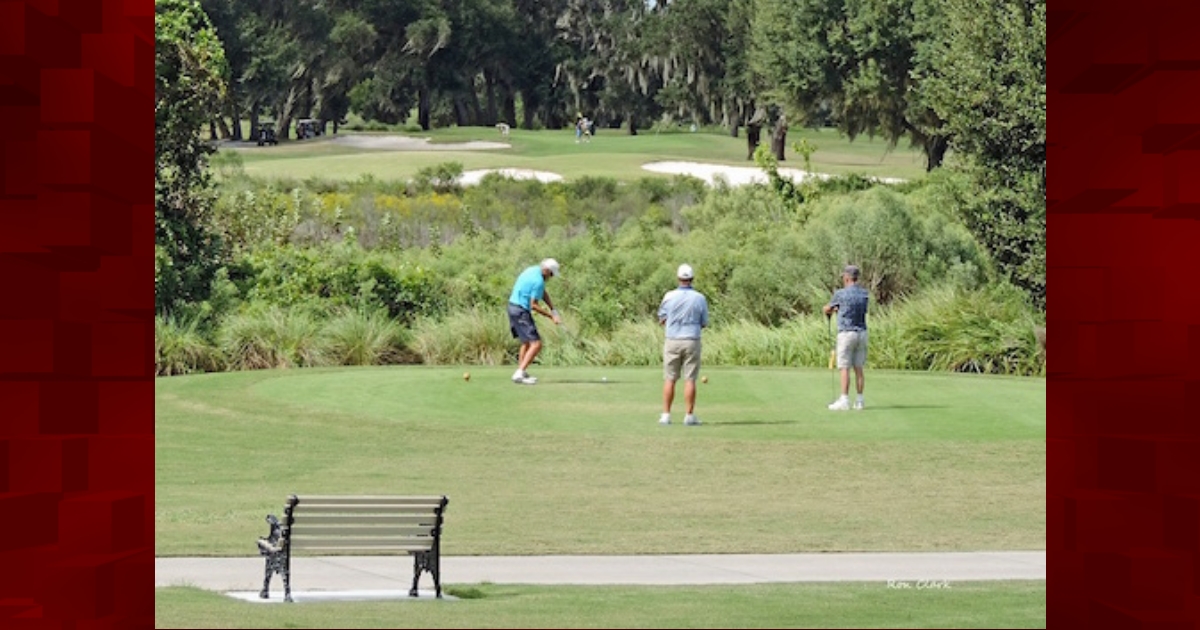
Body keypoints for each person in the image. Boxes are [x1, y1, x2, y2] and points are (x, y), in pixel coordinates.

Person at [658, 264, 709, 425]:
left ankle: (666, 415)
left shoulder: (669, 296)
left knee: (670, 378)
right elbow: (704, 322)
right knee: (690, 379)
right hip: (692, 340)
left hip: (672, 339)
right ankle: (689, 416)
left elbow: (662, 319)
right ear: (692, 279)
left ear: (679, 278)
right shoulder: (699, 298)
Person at [507, 258, 563, 385]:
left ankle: (522, 371)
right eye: (551, 274)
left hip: (512, 307)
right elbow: (534, 305)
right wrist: (551, 317)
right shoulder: (538, 281)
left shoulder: (532, 270)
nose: (552, 277)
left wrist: (553, 310)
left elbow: (542, 292)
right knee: (536, 344)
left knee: (526, 342)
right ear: (547, 271)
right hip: (521, 311)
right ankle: (519, 373)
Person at [822, 264, 869, 410]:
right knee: (859, 368)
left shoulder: (840, 293)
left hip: (846, 333)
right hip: (862, 332)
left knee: (844, 367)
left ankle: (844, 400)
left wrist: (830, 309)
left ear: (847, 278)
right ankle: (860, 401)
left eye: (844, 277)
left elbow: (828, 308)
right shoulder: (864, 294)